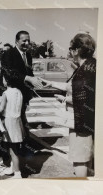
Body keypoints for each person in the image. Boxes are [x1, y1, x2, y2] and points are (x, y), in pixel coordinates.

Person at [39, 33, 96, 177]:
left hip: (80, 122)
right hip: (86, 121)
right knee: (87, 158)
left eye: (71, 48)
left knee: (79, 160)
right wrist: (51, 83)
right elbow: (73, 87)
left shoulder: (85, 71)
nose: (69, 52)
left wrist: (65, 100)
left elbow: (85, 98)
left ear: (77, 50)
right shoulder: (90, 65)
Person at [1, 30, 43, 136]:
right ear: (16, 41)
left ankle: (22, 144)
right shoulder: (8, 54)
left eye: (29, 41)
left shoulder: (28, 55)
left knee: (21, 120)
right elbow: (10, 73)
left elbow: (29, 72)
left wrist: (36, 81)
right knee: (10, 122)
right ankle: (7, 148)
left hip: (24, 95)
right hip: (12, 94)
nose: (27, 43)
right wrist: (28, 78)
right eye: (24, 41)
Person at [0, 75, 25, 178]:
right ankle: (13, 168)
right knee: (15, 147)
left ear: (7, 82)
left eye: (4, 79)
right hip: (18, 121)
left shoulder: (6, 93)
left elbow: (1, 109)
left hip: (9, 122)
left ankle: (18, 173)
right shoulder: (18, 91)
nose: (3, 81)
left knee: (12, 149)